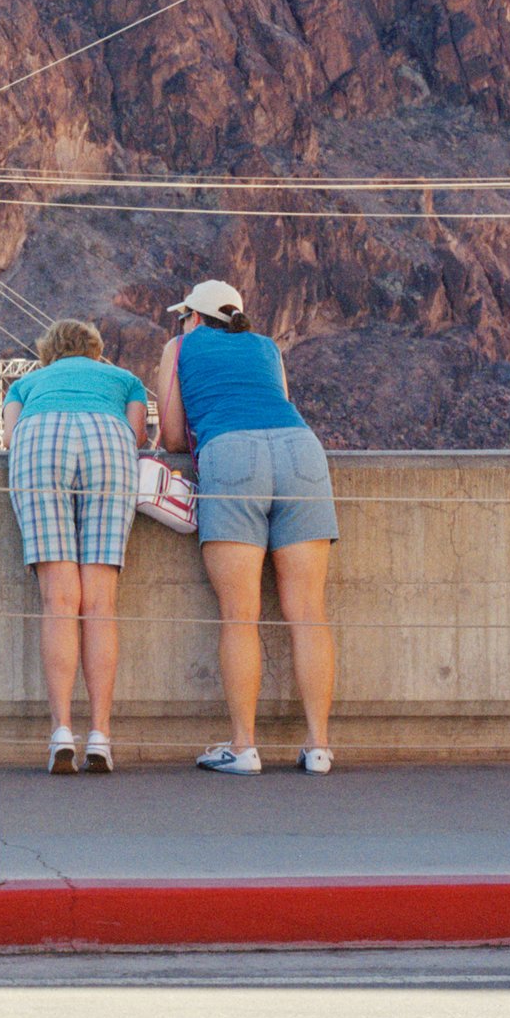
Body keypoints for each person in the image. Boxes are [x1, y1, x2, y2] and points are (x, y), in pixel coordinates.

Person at [155, 279, 338, 777]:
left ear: (193, 317)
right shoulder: (267, 348)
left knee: (240, 614)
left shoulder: (180, 346)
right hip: (301, 450)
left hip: (232, 453)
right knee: (308, 611)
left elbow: (172, 433)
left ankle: (243, 747)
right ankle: (318, 746)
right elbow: (278, 400)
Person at [4, 319, 148, 775]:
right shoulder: (125, 380)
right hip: (108, 437)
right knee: (100, 604)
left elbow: (9, 439)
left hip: (40, 438)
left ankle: (61, 732)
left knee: (59, 601)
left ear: (49, 353)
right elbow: (138, 435)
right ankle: (100, 736)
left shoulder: (25, 384)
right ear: (95, 350)